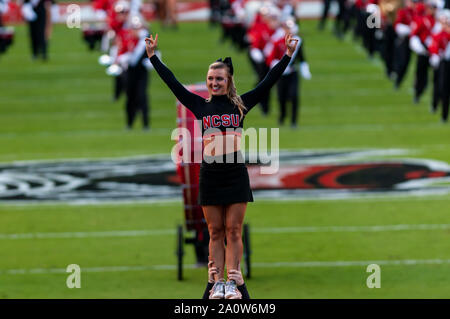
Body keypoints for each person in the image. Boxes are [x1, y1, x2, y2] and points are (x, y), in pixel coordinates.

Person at [145, 32, 297, 299]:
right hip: (211, 176)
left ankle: (233, 280)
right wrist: (153, 57)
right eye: (211, 79)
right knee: (215, 231)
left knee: (234, 230)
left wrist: (287, 55)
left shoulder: (241, 105)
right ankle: (215, 281)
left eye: (219, 79)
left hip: (235, 175)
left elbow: (268, 82)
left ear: (228, 82)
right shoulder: (199, 104)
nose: (214, 83)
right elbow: (174, 84)